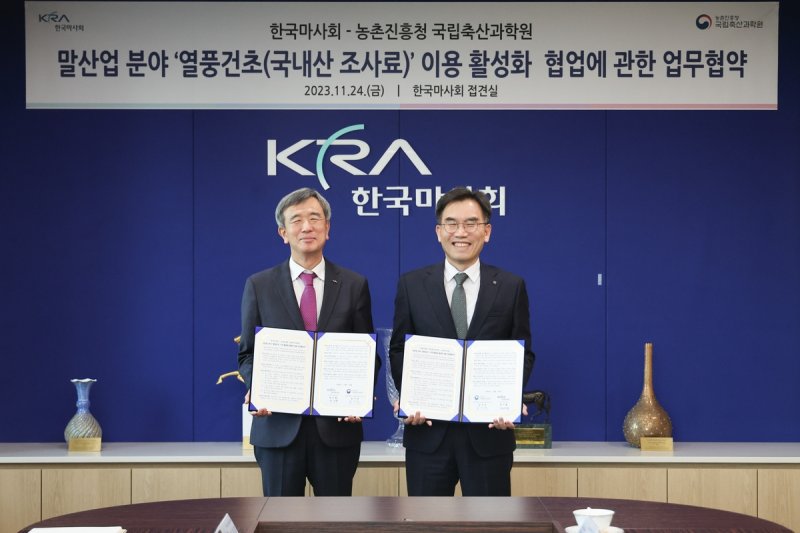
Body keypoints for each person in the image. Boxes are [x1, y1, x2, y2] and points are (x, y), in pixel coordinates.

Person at [389, 187, 535, 496]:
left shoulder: (510, 286)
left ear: (487, 231)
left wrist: (509, 398)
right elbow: (399, 348)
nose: (461, 232)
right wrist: (410, 396)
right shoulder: (412, 285)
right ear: (438, 232)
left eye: (471, 223)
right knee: (426, 520)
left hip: (489, 435)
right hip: (427, 432)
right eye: (451, 223)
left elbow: (522, 352)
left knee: (490, 520)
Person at [237, 187, 377, 496]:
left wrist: (360, 396)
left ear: (327, 227)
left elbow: (367, 354)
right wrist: (257, 386)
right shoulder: (259, 285)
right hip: (278, 428)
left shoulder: (354, 285)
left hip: (336, 429)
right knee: (279, 518)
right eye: (296, 220)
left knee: (336, 517)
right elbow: (247, 354)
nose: (307, 227)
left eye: (315, 218)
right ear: (283, 233)